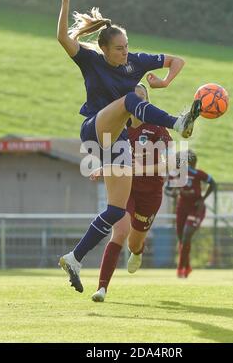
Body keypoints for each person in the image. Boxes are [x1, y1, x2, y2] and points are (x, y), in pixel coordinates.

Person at [57, 0, 201, 293]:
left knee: (115, 210)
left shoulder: (135, 61)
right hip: (96, 129)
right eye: (119, 48)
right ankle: (179, 121)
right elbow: (61, 38)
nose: (125, 52)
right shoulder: (90, 60)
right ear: (105, 49)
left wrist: (163, 82)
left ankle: (74, 257)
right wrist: (65, 3)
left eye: (127, 46)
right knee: (129, 100)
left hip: (118, 141)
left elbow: (178, 61)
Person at [90, 83, 173, 302]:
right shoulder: (119, 128)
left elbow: (170, 163)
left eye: (142, 96)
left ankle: (137, 252)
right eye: (134, 96)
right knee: (120, 230)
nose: (138, 100)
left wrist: (140, 169)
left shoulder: (157, 128)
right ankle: (102, 288)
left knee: (134, 243)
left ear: (147, 102)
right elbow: (112, 157)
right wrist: (104, 168)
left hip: (151, 194)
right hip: (125, 189)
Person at [165, 150, 216, 278]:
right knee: (182, 238)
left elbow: (213, 183)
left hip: (195, 208)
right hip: (182, 207)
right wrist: (174, 193)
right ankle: (187, 267)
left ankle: (181, 269)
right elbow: (167, 189)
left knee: (187, 235)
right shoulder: (176, 174)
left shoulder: (197, 173)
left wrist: (203, 200)